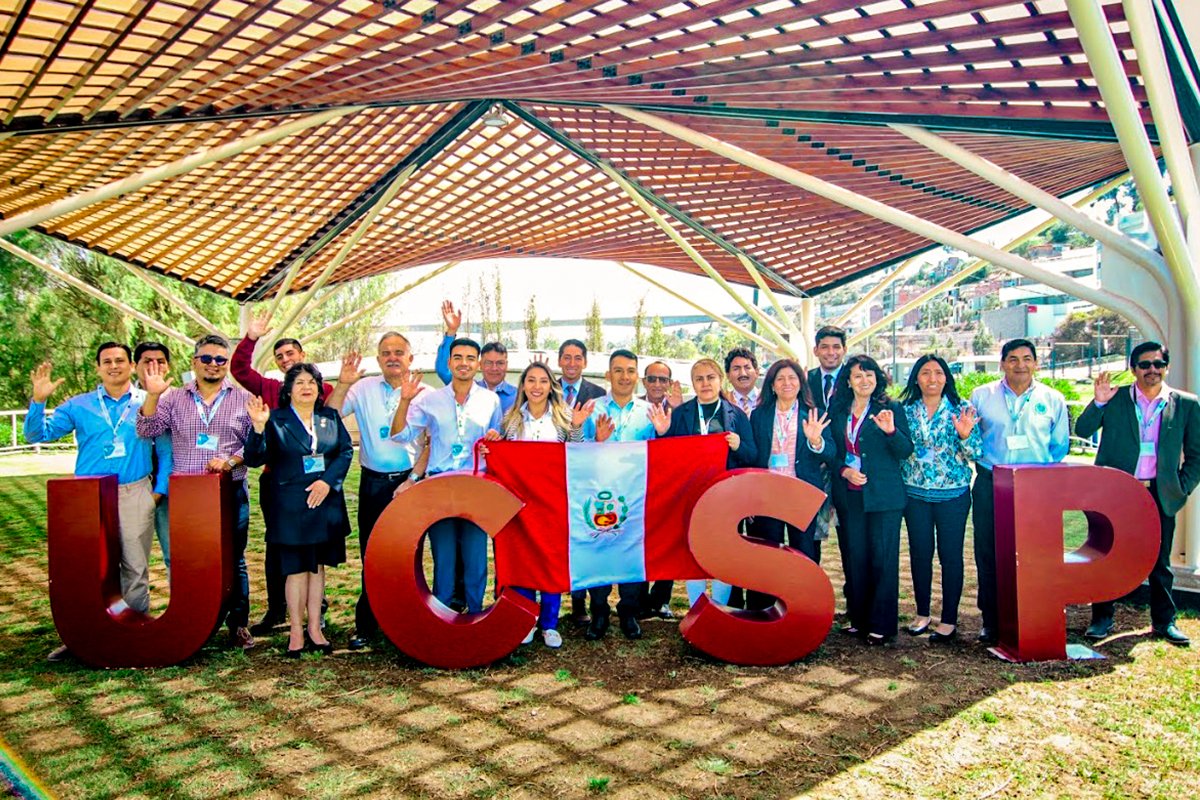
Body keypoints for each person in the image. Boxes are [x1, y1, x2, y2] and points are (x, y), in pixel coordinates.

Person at [26, 344, 158, 660]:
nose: (114, 366)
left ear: (131, 365)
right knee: (90, 568)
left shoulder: (149, 400)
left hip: (134, 491)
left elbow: (165, 449)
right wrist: (38, 401)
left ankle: (133, 633)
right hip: (89, 496)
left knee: (135, 566)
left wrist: (158, 491)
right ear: (97, 368)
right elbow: (37, 435)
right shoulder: (79, 405)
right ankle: (83, 637)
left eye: (120, 360)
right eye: (106, 361)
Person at [1075, 342, 1198, 647]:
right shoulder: (1115, 399)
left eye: (1158, 364)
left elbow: (1196, 454)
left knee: (1160, 559)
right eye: (1144, 365)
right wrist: (1098, 403)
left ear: (1166, 367)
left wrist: (1180, 486)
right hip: (1117, 490)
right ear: (1133, 369)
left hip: (1159, 491)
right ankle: (1102, 618)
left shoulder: (1185, 404)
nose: (1152, 370)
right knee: (1106, 553)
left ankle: (1164, 621)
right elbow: (1083, 429)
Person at [137, 334, 255, 649]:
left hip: (230, 491)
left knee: (235, 558)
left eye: (220, 359)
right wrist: (152, 395)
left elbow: (255, 445)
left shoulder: (244, 398)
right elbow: (146, 429)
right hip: (187, 495)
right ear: (194, 361)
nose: (213, 364)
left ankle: (238, 624)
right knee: (190, 558)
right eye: (206, 358)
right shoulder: (173, 398)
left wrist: (231, 461)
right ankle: (192, 621)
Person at [231, 311, 342, 635]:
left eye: (290, 353)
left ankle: (316, 611)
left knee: (316, 548)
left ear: (302, 355)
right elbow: (239, 369)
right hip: (278, 482)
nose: (285, 359)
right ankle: (278, 609)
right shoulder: (268, 387)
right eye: (279, 356)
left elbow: (335, 426)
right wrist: (251, 337)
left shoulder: (320, 388)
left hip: (317, 481)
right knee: (279, 544)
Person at [243, 364, 352, 657]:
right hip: (291, 507)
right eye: (300, 382)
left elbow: (344, 451)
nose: (306, 387)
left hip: (324, 503)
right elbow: (254, 459)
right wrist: (258, 427)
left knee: (317, 568)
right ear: (288, 389)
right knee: (296, 570)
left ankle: (315, 628)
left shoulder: (329, 417)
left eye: (312, 382)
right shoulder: (275, 419)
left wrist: (328, 482)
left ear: (319, 388)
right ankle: (295, 631)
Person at [390, 338, 503, 614]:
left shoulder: (491, 400)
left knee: (476, 557)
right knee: (444, 557)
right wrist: (404, 401)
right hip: (440, 486)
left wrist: (494, 441)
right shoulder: (430, 400)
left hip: (475, 486)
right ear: (449, 362)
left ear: (478, 364)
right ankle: (442, 616)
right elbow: (400, 435)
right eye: (458, 357)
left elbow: (498, 444)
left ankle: (476, 614)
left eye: (470, 358)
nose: (464, 363)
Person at [332, 332, 429, 650]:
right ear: (378, 359)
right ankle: (367, 623)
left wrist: (413, 478)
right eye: (386, 352)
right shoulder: (362, 388)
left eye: (399, 352)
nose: (392, 357)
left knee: (409, 554)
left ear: (410, 358)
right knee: (372, 554)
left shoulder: (425, 393)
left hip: (410, 483)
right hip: (373, 482)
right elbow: (331, 414)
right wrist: (343, 384)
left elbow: (432, 444)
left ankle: (405, 621)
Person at [482, 362, 589, 648]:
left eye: (543, 381)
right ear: (523, 385)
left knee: (549, 560)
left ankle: (549, 623)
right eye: (531, 380)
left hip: (552, 502)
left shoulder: (564, 417)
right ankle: (527, 618)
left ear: (551, 386)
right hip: (518, 504)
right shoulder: (511, 419)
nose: (537, 386)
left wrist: (577, 427)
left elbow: (578, 453)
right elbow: (500, 455)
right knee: (522, 558)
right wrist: (492, 444)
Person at [970, 339, 1070, 645]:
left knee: (1033, 552)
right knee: (988, 552)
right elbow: (972, 438)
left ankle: (1031, 614)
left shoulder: (1052, 399)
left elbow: (1059, 445)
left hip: (1034, 486)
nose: (1020, 365)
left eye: (1027, 358)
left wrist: (1037, 474)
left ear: (1036, 363)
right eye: (1012, 359)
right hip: (991, 481)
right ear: (1002, 364)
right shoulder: (981, 396)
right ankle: (991, 620)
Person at [652, 358, 759, 609]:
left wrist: (739, 446)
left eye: (710, 377)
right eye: (699, 379)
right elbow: (666, 456)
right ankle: (697, 608)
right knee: (694, 552)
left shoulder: (736, 415)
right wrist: (662, 433)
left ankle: (719, 609)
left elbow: (752, 455)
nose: (705, 383)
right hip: (691, 496)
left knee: (723, 553)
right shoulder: (681, 414)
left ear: (720, 380)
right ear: (693, 384)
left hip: (726, 497)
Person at [830, 354, 914, 645]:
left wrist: (891, 431)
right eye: (857, 375)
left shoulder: (890, 408)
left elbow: (905, 450)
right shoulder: (839, 410)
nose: (864, 380)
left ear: (877, 378)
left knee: (883, 558)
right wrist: (844, 470)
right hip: (850, 495)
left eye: (869, 375)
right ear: (848, 381)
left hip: (884, 497)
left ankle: (882, 624)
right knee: (856, 557)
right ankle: (859, 619)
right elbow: (832, 451)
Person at [898, 355, 981, 643]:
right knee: (920, 554)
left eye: (938, 372)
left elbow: (977, 453)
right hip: (915, 495)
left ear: (947, 377)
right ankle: (922, 613)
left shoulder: (962, 409)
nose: (932, 378)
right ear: (916, 378)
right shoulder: (905, 410)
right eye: (925, 372)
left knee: (950, 556)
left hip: (953, 495)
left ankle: (948, 619)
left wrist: (966, 436)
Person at [580, 349, 657, 640]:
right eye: (618, 370)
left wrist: (663, 434)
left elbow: (661, 455)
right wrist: (595, 441)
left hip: (635, 495)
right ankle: (599, 611)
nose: (624, 376)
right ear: (608, 374)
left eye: (630, 371)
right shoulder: (593, 408)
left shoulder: (649, 412)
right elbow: (576, 452)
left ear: (637, 376)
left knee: (631, 553)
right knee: (598, 552)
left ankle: (628, 611)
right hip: (599, 494)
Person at [748, 359, 836, 571]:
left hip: (802, 491)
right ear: (772, 385)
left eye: (792, 378)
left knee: (804, 552)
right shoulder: (759, 415)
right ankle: (770, 593)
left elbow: (831, 453)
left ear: (800, 383)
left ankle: (804, 592)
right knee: (769, 553)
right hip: (768, 494)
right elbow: (753, 457)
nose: (786, 383)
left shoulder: (814, 413)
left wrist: (816, 441)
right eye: (780, 379)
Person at [558, 337, 607, 624]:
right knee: (565, 538)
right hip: (556, 475)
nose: (572, 363)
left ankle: (584, 601)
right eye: (567, 357)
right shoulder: (546, 389)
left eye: (578, 357)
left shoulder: (597, 394)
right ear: (559, 361)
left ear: (585, 362)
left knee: (587, 534)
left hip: (588, 475)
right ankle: (566, 598)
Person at [638, 359, 684, 618]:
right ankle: (639, 599)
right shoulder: (634, 408)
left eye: (662, 379)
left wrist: (676, 411)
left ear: (670, 383)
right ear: (644, 382)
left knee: (668, 542)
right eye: (652, 379)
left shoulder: (681, 409)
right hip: (639, 486)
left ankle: (661, 599)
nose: (657, 384)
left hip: (670, 487)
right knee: (641, 542)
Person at [133, 342, 174, 574]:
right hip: (129, 488)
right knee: (129, 557)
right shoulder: (125, 399)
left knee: (174, 555)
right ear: (135, 365)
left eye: (160, 361)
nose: (154, 366)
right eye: (147, 361)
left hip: (166, 491)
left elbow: (168, 451)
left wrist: (159, 492)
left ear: (168, 366)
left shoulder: (178, 399)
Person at [435, 302, 518, 413]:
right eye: (488, 363)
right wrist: (451, 331)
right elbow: (443, 369)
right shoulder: (466, 388)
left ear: (506, 365)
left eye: (500, 363)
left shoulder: (518, 396)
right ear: (480, 365)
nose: (494, 368)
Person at [808, 325, 847, 415]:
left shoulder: (853, 378)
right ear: (815, 351)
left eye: (836, 347)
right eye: (824, 347)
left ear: (844, 350)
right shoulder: (806, 380)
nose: (831, 352)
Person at [724, 348, 759, 416]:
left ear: (757, 372)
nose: (743, 373)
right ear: (728, 376)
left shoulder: (768, 400)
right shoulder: (722, 402)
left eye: (747, 368)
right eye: (736, 369)